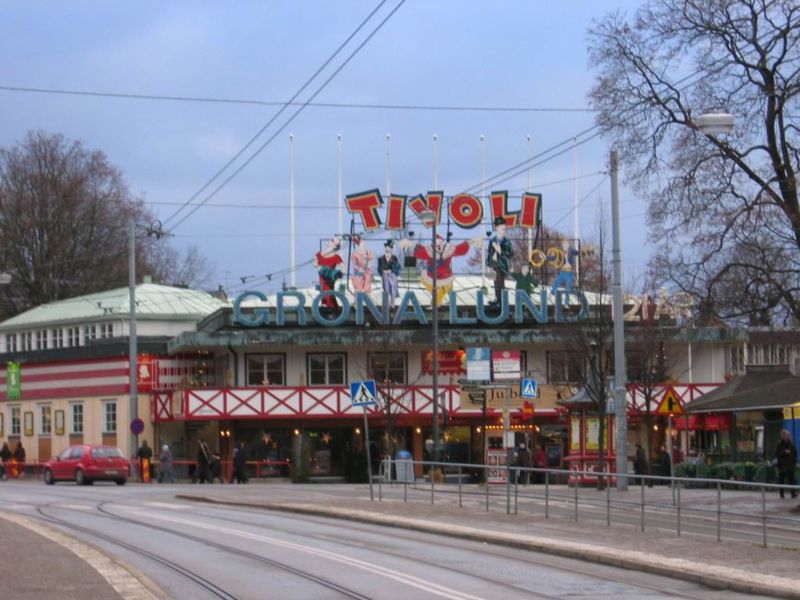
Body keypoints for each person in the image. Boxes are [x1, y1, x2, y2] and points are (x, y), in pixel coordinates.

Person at [486, 216, 513, 305]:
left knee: (500, 283)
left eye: (504, 228)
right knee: (496, 283)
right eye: (501, 228)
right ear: (497, 228)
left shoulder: (507, 242)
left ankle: (501, 301)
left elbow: (510, 254)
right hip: (494, 264)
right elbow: (489, 253)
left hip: (502, 265)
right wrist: (488, 266)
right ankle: (499, 300)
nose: (503, 230)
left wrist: (500, 250)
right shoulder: (492, 241)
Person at [313, 236, 344, 310]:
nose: (329, 240)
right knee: (324, 292)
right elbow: (315, 264)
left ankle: (333, 307)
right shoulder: (319, 254)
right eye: (330, 239)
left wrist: (338, 274)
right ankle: (330, 307)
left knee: (329, 292)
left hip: (330, 278)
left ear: (335, 245)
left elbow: (343, 268)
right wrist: (319, 267)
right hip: (322, 277)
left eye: (332, 240)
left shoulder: (336, 257)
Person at [774, 429, 798, 499]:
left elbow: (794, 453)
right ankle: (782, 494)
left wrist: (794, 461)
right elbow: (776, 453)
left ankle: (793, 493)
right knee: (782, 479)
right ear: (783, 436)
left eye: (789, 435)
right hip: (782, 465)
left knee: (791, 479)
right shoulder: (779, 444)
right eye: (787, 435)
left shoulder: (791, 443)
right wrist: (784, 452)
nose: (788, 436)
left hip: (790, 465)